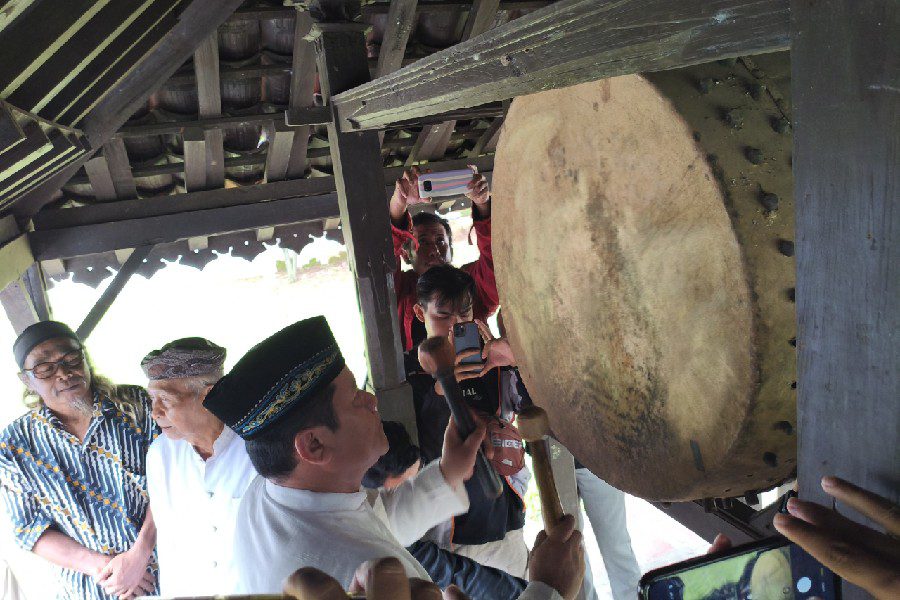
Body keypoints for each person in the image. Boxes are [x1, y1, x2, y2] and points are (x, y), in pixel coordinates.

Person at [202, 316, 581, 599]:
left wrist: (449, 472)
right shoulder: (358, 577)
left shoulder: (270, 494)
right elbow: (364, 536)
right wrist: (549, 588)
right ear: (313, 446)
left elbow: (374, 519)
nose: (371, 400)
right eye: (355, 398)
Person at [0, 321, 159, 599]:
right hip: (90, 588)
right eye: (44, 368)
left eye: (71, 358)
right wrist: (107, 567)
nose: (63, 373)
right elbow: (30, 530)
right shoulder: (15, 445)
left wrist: (139, 554)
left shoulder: (135, 406)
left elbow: (173, 481)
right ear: (26, 380)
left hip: (165, 571)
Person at [406, 264, 531, 577]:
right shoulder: (408, 376)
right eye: (443, 315)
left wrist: (517, 363)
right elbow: (417, 452)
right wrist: (441, 390)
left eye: (464, 313)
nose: (455, 325)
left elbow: (532, 411)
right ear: (420, 314)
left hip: (506, 523)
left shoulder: (489, 360)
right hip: (448, 538)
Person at [141, 337, 256, 596]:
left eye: (165, 400)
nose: (155, 412)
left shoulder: (258, 448)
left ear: (208, 396)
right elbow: (171, 549)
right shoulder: (160, 455)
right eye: (152, 399)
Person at [364, 420, 529, 599]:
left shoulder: (443, 454)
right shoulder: (385, 529)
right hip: (478, 561)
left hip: (500, 551)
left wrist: (449, 472)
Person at [390, 166, 498, 351]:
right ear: (406, 253)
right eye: (422, 242)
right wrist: (399, 205)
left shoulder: (468, 283)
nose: (434, 250)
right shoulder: (400, 290)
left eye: (441, 240)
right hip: (416, 379)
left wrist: (482, 204)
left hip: (476, 375)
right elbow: (382, 261)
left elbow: (495, 261)